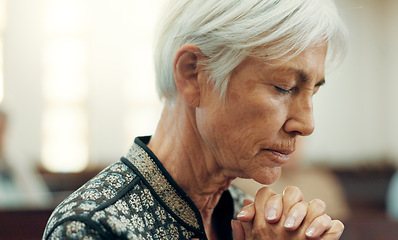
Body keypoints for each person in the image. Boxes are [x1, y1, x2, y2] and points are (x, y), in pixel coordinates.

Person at [43, 0, 348, 239]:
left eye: (313, 93)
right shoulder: (92, 227)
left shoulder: (254, 221)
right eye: (284, 87)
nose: (306, 124)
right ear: (193, 75)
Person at [233, 138, 350, 221]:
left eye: (297, 138)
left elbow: (341, 224)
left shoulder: (321, 181)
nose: (291, 145)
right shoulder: (247, 182)